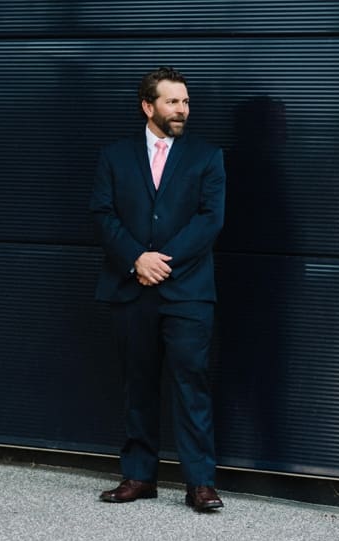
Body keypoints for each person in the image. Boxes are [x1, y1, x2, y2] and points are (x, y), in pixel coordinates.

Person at [90, 67, 227, 512]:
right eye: (172, 102)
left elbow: (210, 219)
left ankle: (200, 483)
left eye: (185, 102)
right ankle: (139, 476)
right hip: (131, 291)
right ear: (148, 106)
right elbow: (103, 215)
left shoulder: (207, 157)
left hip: (187, 293)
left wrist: (161, 263)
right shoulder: (114, 156)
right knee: (138, 385)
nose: (182, 110)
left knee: (192, 385)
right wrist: (136, 259)